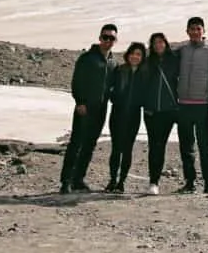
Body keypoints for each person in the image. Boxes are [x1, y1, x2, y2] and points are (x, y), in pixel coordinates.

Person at [60, 23, 117, 193]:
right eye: (105, 37)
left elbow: (113, 86)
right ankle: (66, 181)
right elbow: (77, 82)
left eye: (111, 38)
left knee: (90, 144)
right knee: (76, 143)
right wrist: (80, 102)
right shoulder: (87, 58)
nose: (108, 41)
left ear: (115, 40)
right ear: (100, 38)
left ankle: (79, 179)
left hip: (101, 109)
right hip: (84, 107)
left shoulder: (113, 62)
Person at [174, 15, 208, 194]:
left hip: (203, 106)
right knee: (186, 147)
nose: (195, 32)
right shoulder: (182, 51)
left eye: (198, 29)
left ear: (203, 31)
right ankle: (190, 183)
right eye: (191, 29)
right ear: (187, 31)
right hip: (184, 105)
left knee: (206, 147)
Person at [140, 31, 180, 196]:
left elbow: (181, 82)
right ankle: (153, 181)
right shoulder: (148, 62)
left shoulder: (175, 61)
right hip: (151, 111)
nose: (158, 45)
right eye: (155, 42)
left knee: (160, 145)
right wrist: (145, 104)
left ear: (166, 43)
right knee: (153, 145)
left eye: (161, 41)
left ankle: (156, 180)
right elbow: (142, 85)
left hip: (169, 111)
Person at [105, 41, 147, 192]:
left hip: (134, 115)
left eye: (138, 54)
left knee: (127, 149)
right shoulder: (119, 70)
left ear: (142, 57)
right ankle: (112, 180)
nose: (135, 57)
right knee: (116, 148)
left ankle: (121, 181)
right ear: (128, 55)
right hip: (117, 113)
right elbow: (110, 89)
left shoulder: (144, 73)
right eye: (133, 53)